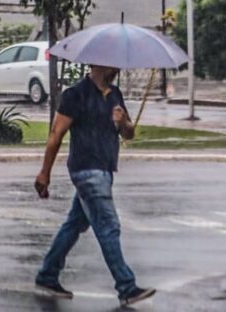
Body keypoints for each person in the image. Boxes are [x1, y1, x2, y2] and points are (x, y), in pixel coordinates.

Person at [34, 64, 156, 307]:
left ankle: (47, 275)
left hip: (106, 170)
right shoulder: (75, 95)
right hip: (86, 170)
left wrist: (123, 122)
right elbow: (56, 135)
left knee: (74, 224)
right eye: (112, 64)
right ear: (96, 64)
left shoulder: (115, 94)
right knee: (108, 226)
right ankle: (126, 286)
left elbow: (129, 134)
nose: (117, 68)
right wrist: (45, 172)